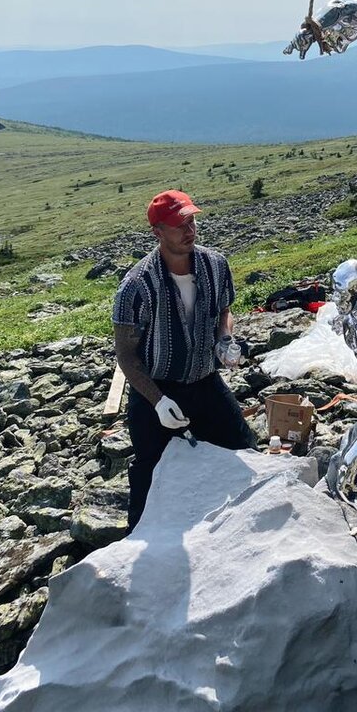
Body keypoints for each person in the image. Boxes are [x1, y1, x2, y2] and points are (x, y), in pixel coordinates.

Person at [112, 189, 254, 530]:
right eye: (179, 225)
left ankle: (231, 525)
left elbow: (223, 311)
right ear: (157, 233)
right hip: (155, 389)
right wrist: (159, 402)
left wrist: (224, 339)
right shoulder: (136, 285)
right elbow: (126, 355)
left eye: (191, 221)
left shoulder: (215, 265)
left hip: (204, 380)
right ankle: (140, 541)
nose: (189, 230)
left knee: (243, 448)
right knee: (151, 469)